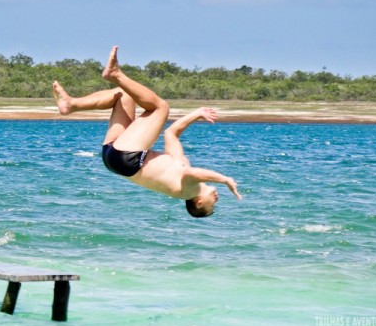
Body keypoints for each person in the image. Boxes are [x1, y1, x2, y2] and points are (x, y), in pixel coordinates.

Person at [52, 46, 242, 217]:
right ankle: (71, 104)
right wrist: (196, 114)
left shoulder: (189, 191)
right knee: (124, 95)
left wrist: (225, 179)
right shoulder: (180, 166)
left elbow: (193, 174)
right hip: (115, 157)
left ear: (199, 202)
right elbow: (172, 134)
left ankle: (116, 74)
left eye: (212, 207)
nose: (216, 200)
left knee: (161, 108)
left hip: (129, 159)